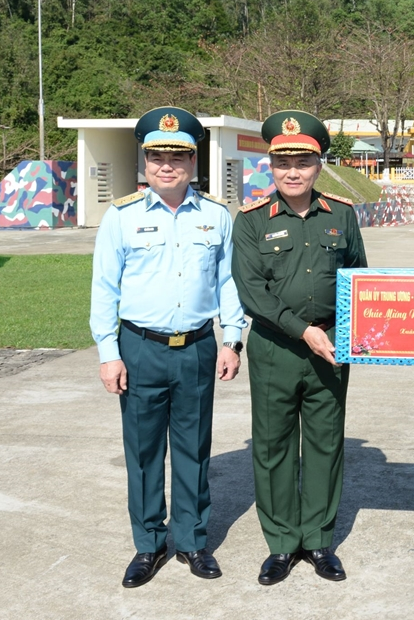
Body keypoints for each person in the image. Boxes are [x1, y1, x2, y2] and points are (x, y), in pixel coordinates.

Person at [90, 106, 246, 588]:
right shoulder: (121, 217)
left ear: (192, 161)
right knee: (142, 452)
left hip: (198, 347)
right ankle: (148, 545)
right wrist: (108, 352)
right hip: (140, 347)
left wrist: (232, 340)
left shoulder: (217, 216)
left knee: (194, 449)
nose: (166, 164)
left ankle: (193, 541)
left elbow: (228, 283)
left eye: (177, 155)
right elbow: (104, 289)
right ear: (145, 159)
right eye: (157, 154)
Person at [231, 110, 368, 585]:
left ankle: (318, 541)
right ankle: (282, 545)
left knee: (326, 444)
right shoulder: (250, 221)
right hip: (275, 349)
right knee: (272, 448)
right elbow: (252, 292)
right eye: (282, 162)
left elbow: (359, 281)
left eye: (303, 162)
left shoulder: (343, 216)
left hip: (331, 348)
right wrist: (302, 330)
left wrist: (352, 335)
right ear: (271, 166)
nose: (293, 171)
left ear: (318, 165)